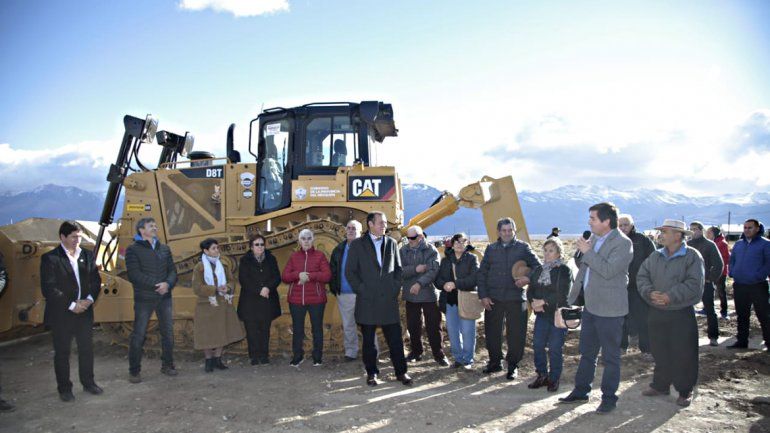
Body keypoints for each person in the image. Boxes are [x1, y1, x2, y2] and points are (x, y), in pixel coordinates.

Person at [560, 202, 633, 414]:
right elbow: (585, 268)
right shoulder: (593, 239)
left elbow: (609, 270)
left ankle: (609, 397)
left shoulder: (622, 243)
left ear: (606, 221)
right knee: (587, 353)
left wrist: (588, 252)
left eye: (593, 218)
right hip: (591, 306)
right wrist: (581, 253)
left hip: (611, 309)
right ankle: (581, 390)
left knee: (611, 357)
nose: (589, 222)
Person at [637, 219, 705, 407]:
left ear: (677, 235)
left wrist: (670, 296)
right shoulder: (655, 256)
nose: (661, 235)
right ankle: (661, 385)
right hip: (656, 311)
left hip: (681, 313)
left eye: (665, 231)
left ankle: (685, 390)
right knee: (659, 350)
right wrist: (650, 293)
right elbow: (642, 276)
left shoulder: (692, 256)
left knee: (684, 352)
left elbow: (694, 284)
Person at [345, 211, 412, 386]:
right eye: (381, 223)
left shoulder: (391, 243)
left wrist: (394, 288)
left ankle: (401, 372)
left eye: (384, 223)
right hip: (367, 301)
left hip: (388, 301)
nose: (384, 225)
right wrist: (362, 289)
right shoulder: (357, 245)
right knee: (369, 342)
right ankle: (372, 373)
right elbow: (349, 272)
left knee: (395, 340)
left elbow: (398, 269)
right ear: (370, 224)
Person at [39, 221, 103, 402]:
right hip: (62, 313)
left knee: (86, 349)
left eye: (79, 237)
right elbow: (49, 288)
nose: (77, 240)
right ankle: (65, 389)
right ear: (63, 237)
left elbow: (95, 281)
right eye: (74, 237)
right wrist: (71, 304)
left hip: (84, 310)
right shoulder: (51, 258)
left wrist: (88, 300)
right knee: (62, 352)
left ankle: (89, 383)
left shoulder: (88, 255)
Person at [477, 217, 541, 380]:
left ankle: (513, 365)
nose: (507, 233)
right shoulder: (491, 249)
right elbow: (482, 274)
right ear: (498, 232)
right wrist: (483, 295)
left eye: (510, 230)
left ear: (514, 231)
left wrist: (528, 278)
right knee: (492, 333)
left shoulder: (523, 248)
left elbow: (538, 267)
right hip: (494, 298)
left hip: (515, 298)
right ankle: (495, 362)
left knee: (516, 334)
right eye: (504, 230)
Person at [125, 217, 178, 383]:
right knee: (139, 334)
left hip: (164, 297)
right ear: (141, 229)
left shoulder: (164, 249)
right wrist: (157, 285)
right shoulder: (133, 250)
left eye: (155, 225)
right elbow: (134, 274)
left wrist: (168, 284)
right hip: (144, 299)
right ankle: (134, 371)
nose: (155, 228)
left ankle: (167, 366)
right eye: (151, 226)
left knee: (168, 333)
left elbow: (173, 271)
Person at [526, 237, 572, 392]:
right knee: (538, 345)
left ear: (559, 253)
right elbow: (531, 289)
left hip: (557, 315)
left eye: (551, 250)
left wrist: (543, 301)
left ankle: (554, 378)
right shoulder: (539, 270)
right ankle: (541, 375)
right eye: (545, 250)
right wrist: (533, 302)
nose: (547, 253)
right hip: (541, 315)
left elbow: (563, 294)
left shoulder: (563, 270)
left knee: (554, 347)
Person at [192, 238, 245, 372]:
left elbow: (231, 281)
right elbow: (197, 287)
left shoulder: (223, 265)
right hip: (206, 305)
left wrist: (228, 287)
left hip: (222, 304)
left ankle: (217, 359)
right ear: (206, 251)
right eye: (214, 248)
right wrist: (215, 289)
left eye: (217, 248)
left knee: (222, 331)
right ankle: (208, 360)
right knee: (207, 334)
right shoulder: (199, 267)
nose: (217, 250)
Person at [282, 229, 331, 367]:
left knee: (317, 329)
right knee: (297, 329)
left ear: (313, 240)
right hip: (296, 300)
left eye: (309, 238)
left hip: (316, 300)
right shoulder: (294, 257)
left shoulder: (320, 256)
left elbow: (327, 275)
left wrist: (309, 275)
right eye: (303, 238)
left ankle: (317, 357)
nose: (306, 241)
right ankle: (297, 356)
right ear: (299, 241)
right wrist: (298, 275)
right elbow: (285, 276)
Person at [330, 220, 378, 361]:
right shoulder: (339, 249)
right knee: (349, 325)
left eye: (354, 229)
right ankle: (351, 352)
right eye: (349, 228)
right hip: (344, 294)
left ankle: (372, 352)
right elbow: (333, 269)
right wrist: (335, 288)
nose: (351, 231)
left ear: (360, 231)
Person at [400, 225, 448, 366]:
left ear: (421, 237)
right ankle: (416, 352)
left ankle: (439, 354)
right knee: (413, 325)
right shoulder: (403, 251)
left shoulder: (431, 250)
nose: (410, 240)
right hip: (411, 295)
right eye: (407, 238)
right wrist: (416, 269)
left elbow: (433, 270)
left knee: (433, 326)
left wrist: (419, 284)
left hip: (428, 295)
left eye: (413, 238)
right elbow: (399, 271)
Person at [435, 233, 480, 370]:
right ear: (452, 244)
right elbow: (438, 280)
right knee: (453, 332)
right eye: (457, 242)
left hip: (466, 301)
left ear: (467, 244)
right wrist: (444, 285)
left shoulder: (472, 259)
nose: (460, 244)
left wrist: (455, 284)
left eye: (463, 241)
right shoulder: (446, 261)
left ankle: (468, 360)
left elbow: (474, 279)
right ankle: (458, 359)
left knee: (467, 332)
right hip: (450, 301)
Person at [238, 234, 282, 365]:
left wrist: (268, 288)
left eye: (262, 244)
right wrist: (259, 289)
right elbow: (244, 279)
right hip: (250, 301)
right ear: (251, 247)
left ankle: (264, 355)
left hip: (267, 300)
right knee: (252, 330)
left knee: (264, 329)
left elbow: (276, 276)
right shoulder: (245, 260)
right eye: (257, 244)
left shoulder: (271, 259)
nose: (260, 247)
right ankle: (254, 356)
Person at [727, 219, 770, 351]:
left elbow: (768, 263)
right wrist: (732, 272)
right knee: (742, 315)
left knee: (764, 315)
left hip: (758, 285)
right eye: (745, 227)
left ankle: (769, 342)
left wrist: (757, 275)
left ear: (757, 229)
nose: (746, 230)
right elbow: (732, 260)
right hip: (740, 285)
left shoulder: (765, 244)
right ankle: (742, 341)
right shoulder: (739, 244)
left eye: (750, 228)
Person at [617, 214, 655, 356]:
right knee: (621, 318)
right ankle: (621, 347)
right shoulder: (614, 240)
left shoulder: (642, 240)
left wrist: (648, 280)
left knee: (642, 318)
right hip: (620, 286)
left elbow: (653, 259)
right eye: (620, 225)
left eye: (626, 224)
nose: (623, 227)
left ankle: (646, 349)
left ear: (632, 225)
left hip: (639, 286)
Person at [688, 221, 724, 346]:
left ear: (701, 230)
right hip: (689, 284)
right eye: (690, 229)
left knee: (709, 310)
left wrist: (710, 278)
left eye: (695, 229)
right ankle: (689, 337)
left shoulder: (710, 245)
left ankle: (713, 336)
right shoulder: (687, 245)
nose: (693, 231)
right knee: (687, 311)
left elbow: (719, 264)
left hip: (706, 283)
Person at [706, 226, 731, 320]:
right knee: (710, 290)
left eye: (709, 232)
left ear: (714, 233)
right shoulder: (713, 243)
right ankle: (707, 308)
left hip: (721, 272)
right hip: (711, 272)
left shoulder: (722, 243)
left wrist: (715, 265)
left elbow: (726, 259)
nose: (707, 234)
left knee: (721, 292)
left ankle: (724, 311)